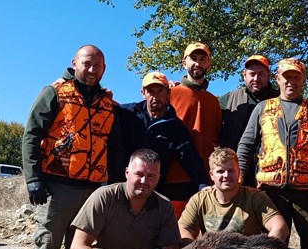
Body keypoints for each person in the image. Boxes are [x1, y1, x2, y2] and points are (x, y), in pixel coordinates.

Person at [22, 45, 124, 249]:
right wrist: (33, 179)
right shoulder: (54, 92)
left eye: (99, 65)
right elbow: (32, 135)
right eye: (87, 64)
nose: (93, 70)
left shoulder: (108, 103)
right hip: (57, 185)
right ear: (74, 63)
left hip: (93, 191)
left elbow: (114, 149)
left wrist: (114, 187)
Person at [237, 57, 308, 249]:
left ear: (303, 80)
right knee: (271, 248)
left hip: (306, 192)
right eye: (286, 76)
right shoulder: (263, 108)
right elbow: (246, 144)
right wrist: (239, 174)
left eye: (295, 76)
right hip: (270, 192)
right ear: (278, 79)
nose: (291, 81)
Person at [118, 71, 208, 202]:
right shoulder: (127, 113)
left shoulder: (175, 126)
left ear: (168, 93)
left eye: (160, 91)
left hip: (152, 191)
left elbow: (190, 158)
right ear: (143, 93)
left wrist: (203, 185)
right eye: (151, 91)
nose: (155, 96)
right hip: (123, 187)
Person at [178, 148, 289, 242]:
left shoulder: (255, 197)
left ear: (239, 172)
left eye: (231, 171)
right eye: (220, 171)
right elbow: (182, 228)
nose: (226, 175)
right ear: (211, 175)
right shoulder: (200, 199)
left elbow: (280, 227)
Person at [167, 42, 222, 217]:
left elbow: (216, 139)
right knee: (170, 234)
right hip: (173, 176)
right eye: (193, 59)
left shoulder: (213, 101)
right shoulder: (170, 93)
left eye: (202, 59)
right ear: (184, 63)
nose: (197, 63)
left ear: (208, 64)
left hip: (202, 179)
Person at [218, 55, 280, 186]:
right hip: (235, 171)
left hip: (272, 173)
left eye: (261, 74)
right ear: (244, 75)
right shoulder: (228, 100)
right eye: (252, 74)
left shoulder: (282, 99)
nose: (256, 78)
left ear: (269, 75)